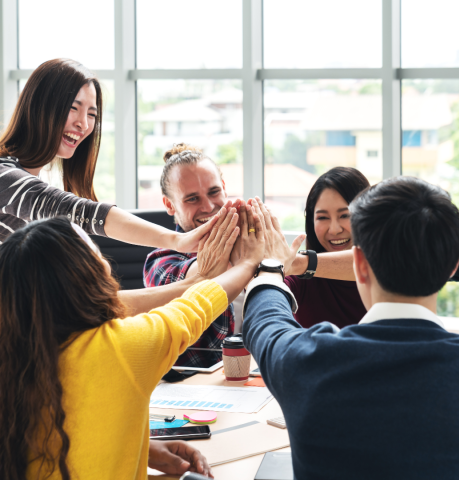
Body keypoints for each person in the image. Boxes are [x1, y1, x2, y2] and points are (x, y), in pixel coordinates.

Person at [0, 206, 265, 479]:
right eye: (96, 252)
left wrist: (141, 447)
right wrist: (249, 262)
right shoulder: (121, 348)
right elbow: (196, 306)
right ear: (89, 275)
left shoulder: (12, 356)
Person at [240, 178, 459, 479]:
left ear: (359, 265)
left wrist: (271, 267)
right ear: (454, 264)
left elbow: (265, 319)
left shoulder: (304, 362)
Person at [0, 58, 215, 252]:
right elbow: (81, 211)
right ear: (40, 107)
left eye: (91, 114)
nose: (83, 124)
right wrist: (176, 241)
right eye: (73, 108)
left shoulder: (24, 182)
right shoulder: (5, 177)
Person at [144, 143, 240, 367]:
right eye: (192, 199)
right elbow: (205, 272)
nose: (208, 207)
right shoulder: (160, 262)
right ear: (170, 204)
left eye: (214, 192)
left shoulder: (240, 246)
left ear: (224, 188)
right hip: (184, 388)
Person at [284, 167, 369, 328]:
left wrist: (299, 263)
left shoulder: (387, 270)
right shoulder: (300, 277)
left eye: (345, 215)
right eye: (323, 217)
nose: (335, 229)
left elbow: (376, 262)